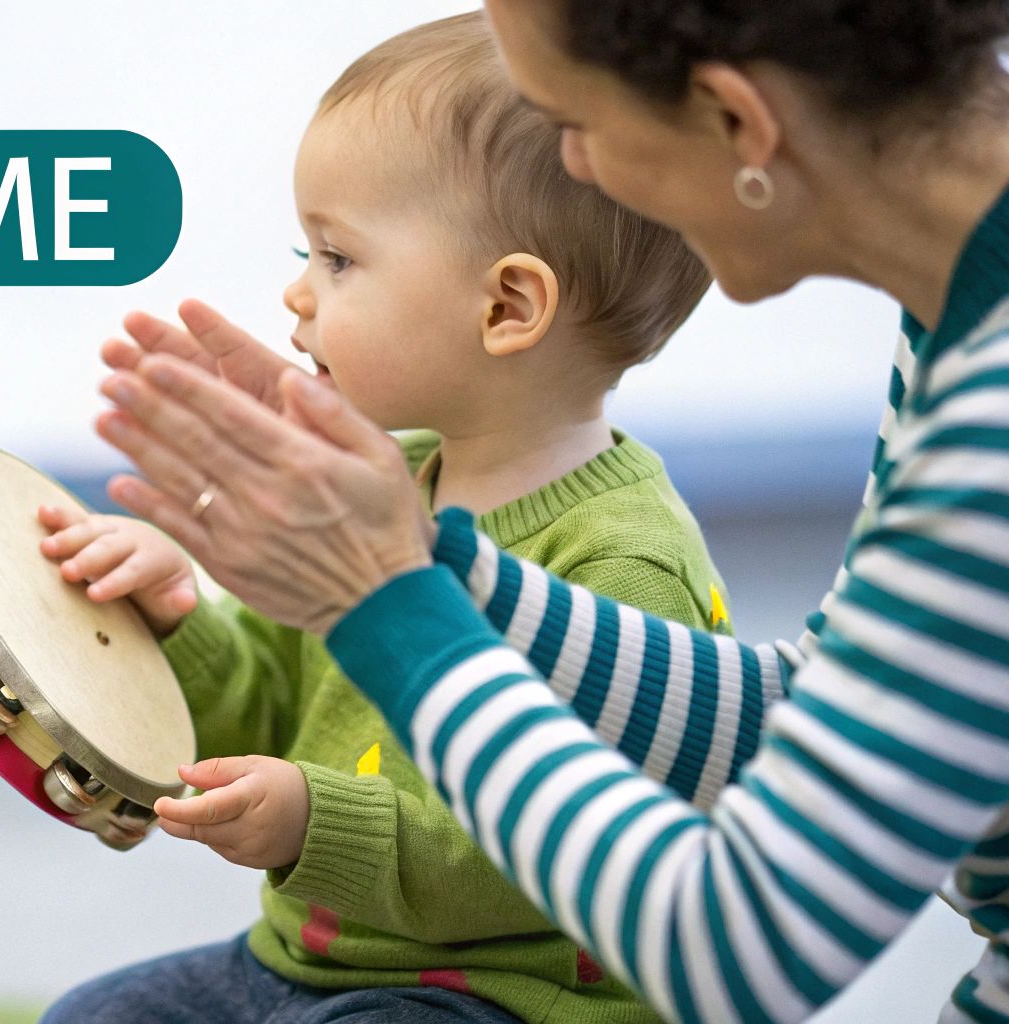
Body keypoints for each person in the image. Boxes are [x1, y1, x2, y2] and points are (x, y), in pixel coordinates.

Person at [88, 1, 1009, 1022]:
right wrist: (422, 557)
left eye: (574, 124)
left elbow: (739, 951)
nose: (578, 175)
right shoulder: (996, 293)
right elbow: (815, 712)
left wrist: (387, 608)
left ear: (735, 120)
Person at [38, 14, 730, 1024]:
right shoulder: (384, 482)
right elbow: (274, 701)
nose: (295, 291)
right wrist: (178, 619)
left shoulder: (622, 565)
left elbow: (557, 854)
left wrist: (311, 822)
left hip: (509, 999)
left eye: (336, 258)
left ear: (505, 308)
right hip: (303, 965)